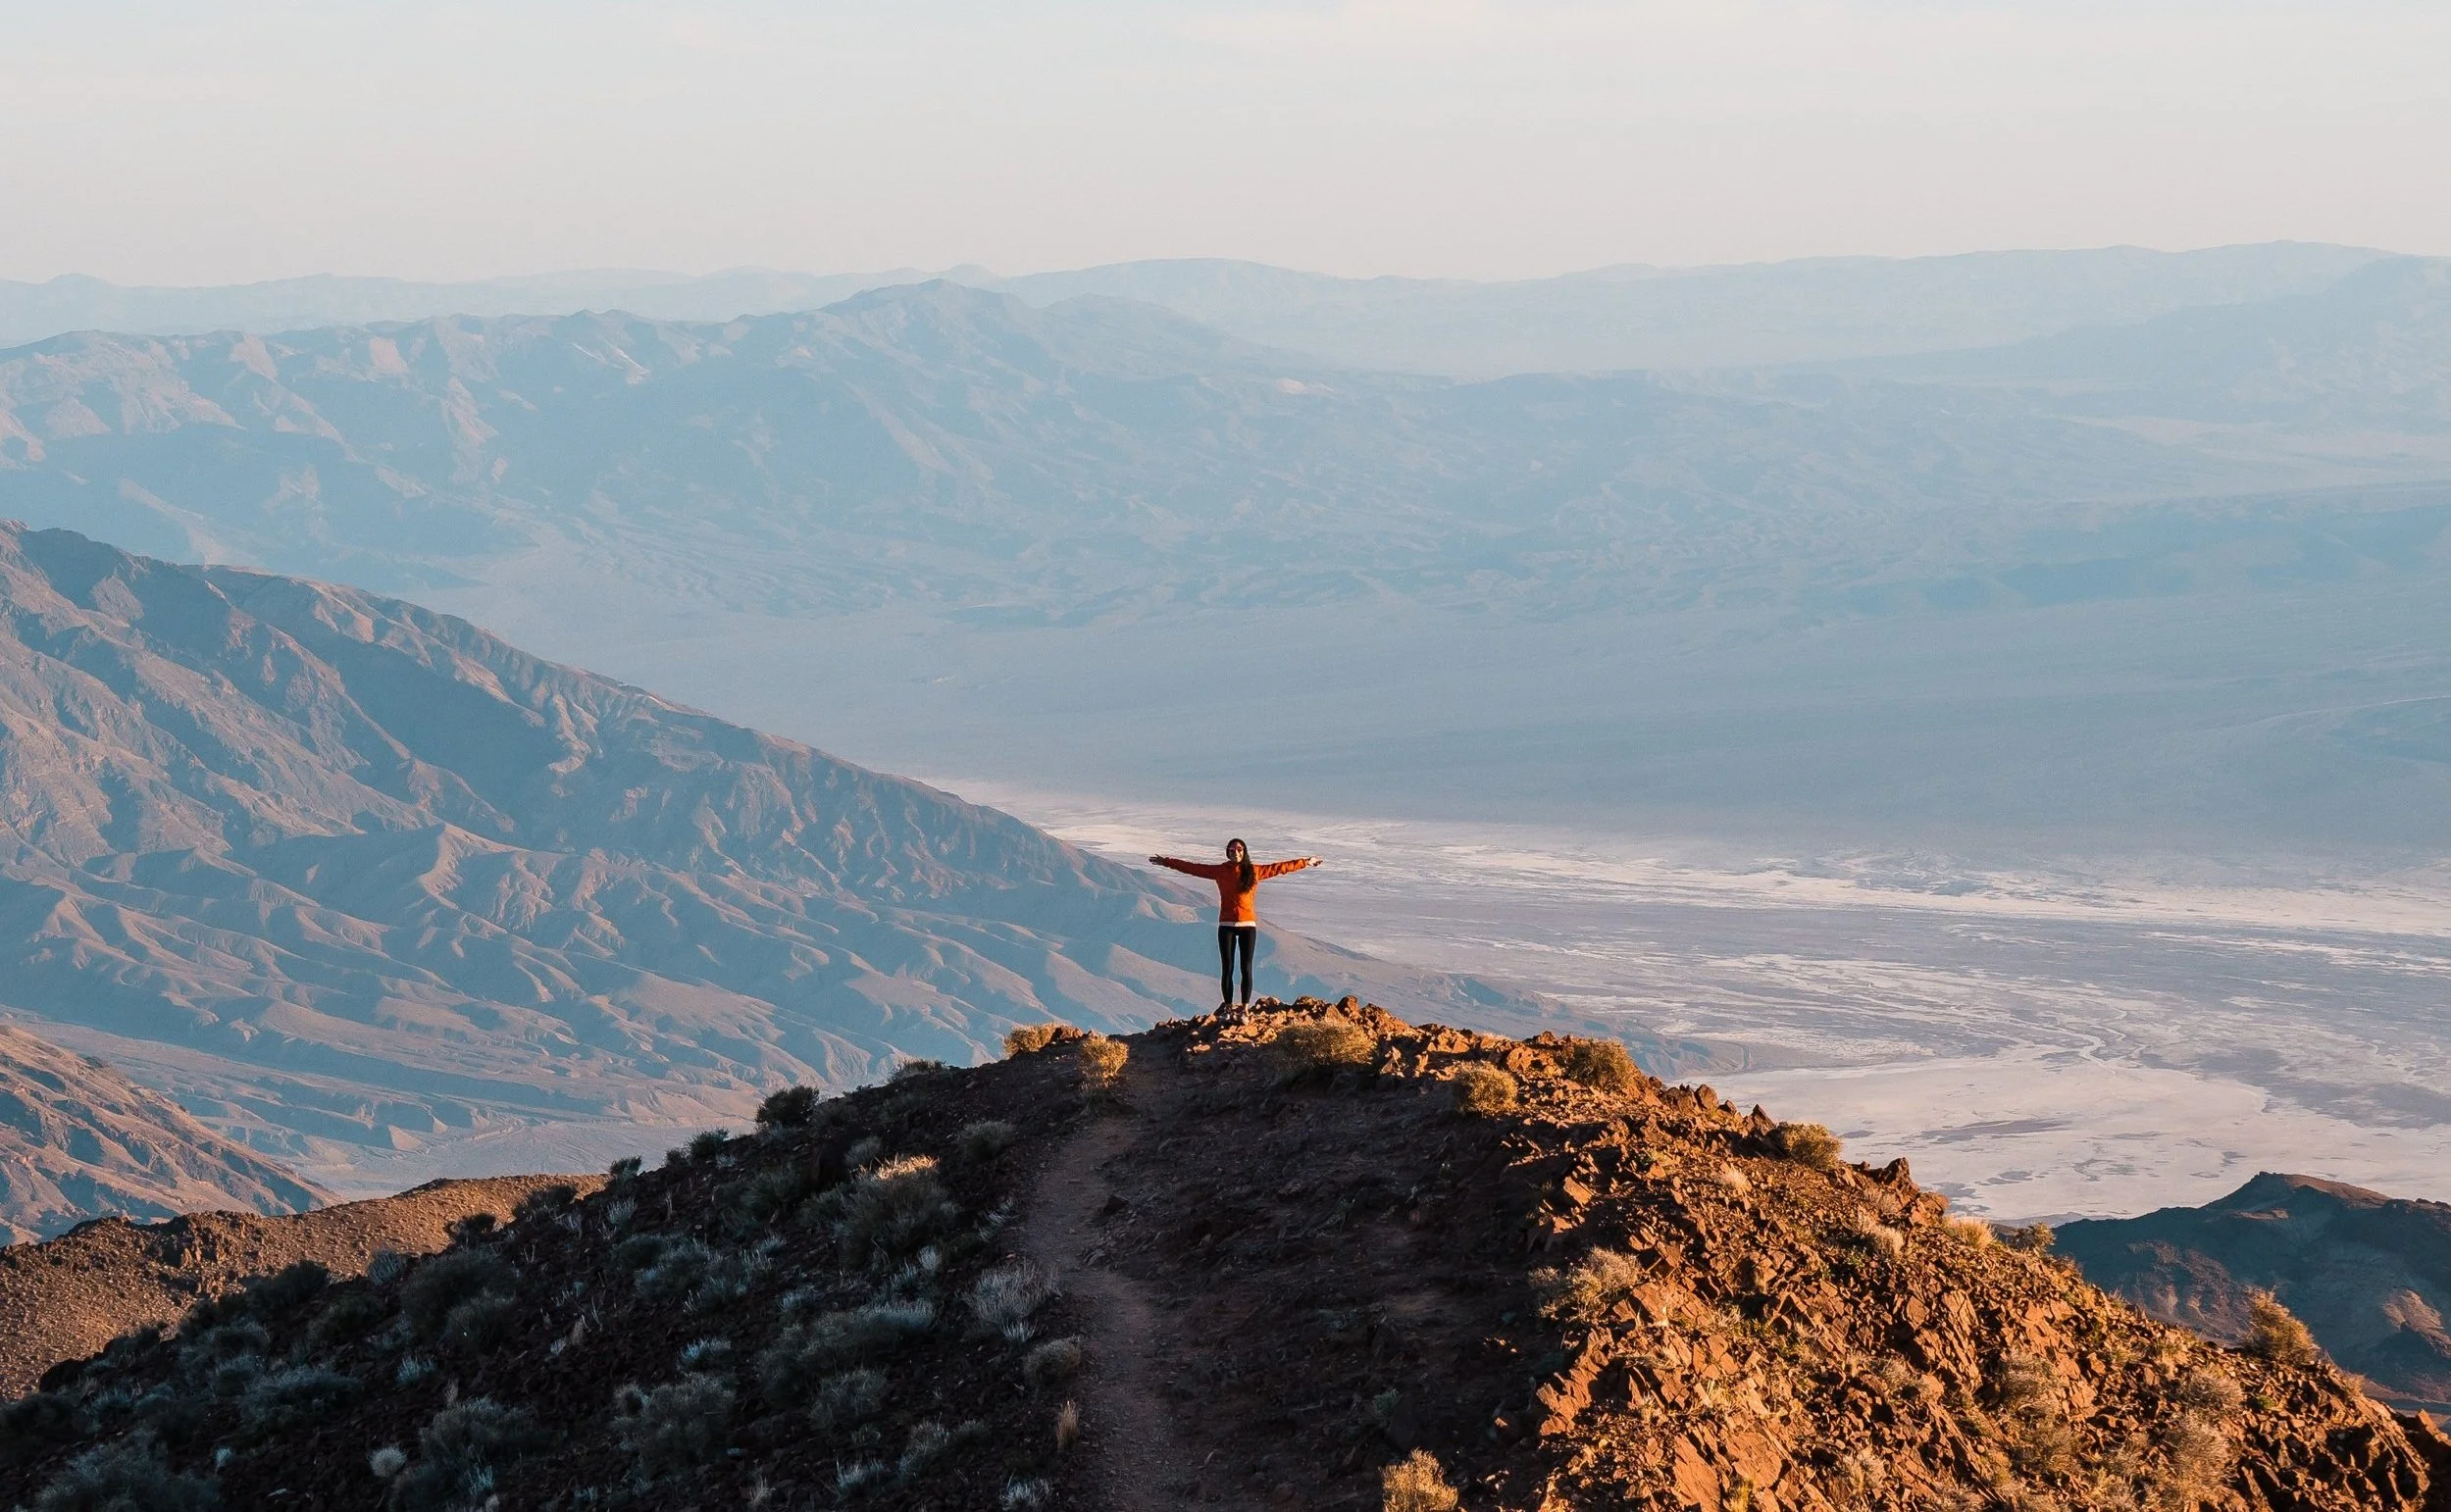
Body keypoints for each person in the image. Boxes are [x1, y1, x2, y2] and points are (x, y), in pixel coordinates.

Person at [1148, 839, 1320, 1013]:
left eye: (1239, 849)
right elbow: (1194, 868)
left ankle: (1245, 1008)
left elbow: (1279, 868)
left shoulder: (1254, 871)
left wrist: (1305, 862)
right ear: (1227, 852)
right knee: (1227, 967)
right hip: (1226, 925)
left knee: (1246, 967)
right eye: (1231, 850)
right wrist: (1167, 862)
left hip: (1248, 926)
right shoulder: (1221, 871)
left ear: (1244, 851)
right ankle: (1228, 1008)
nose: (1235, 852)